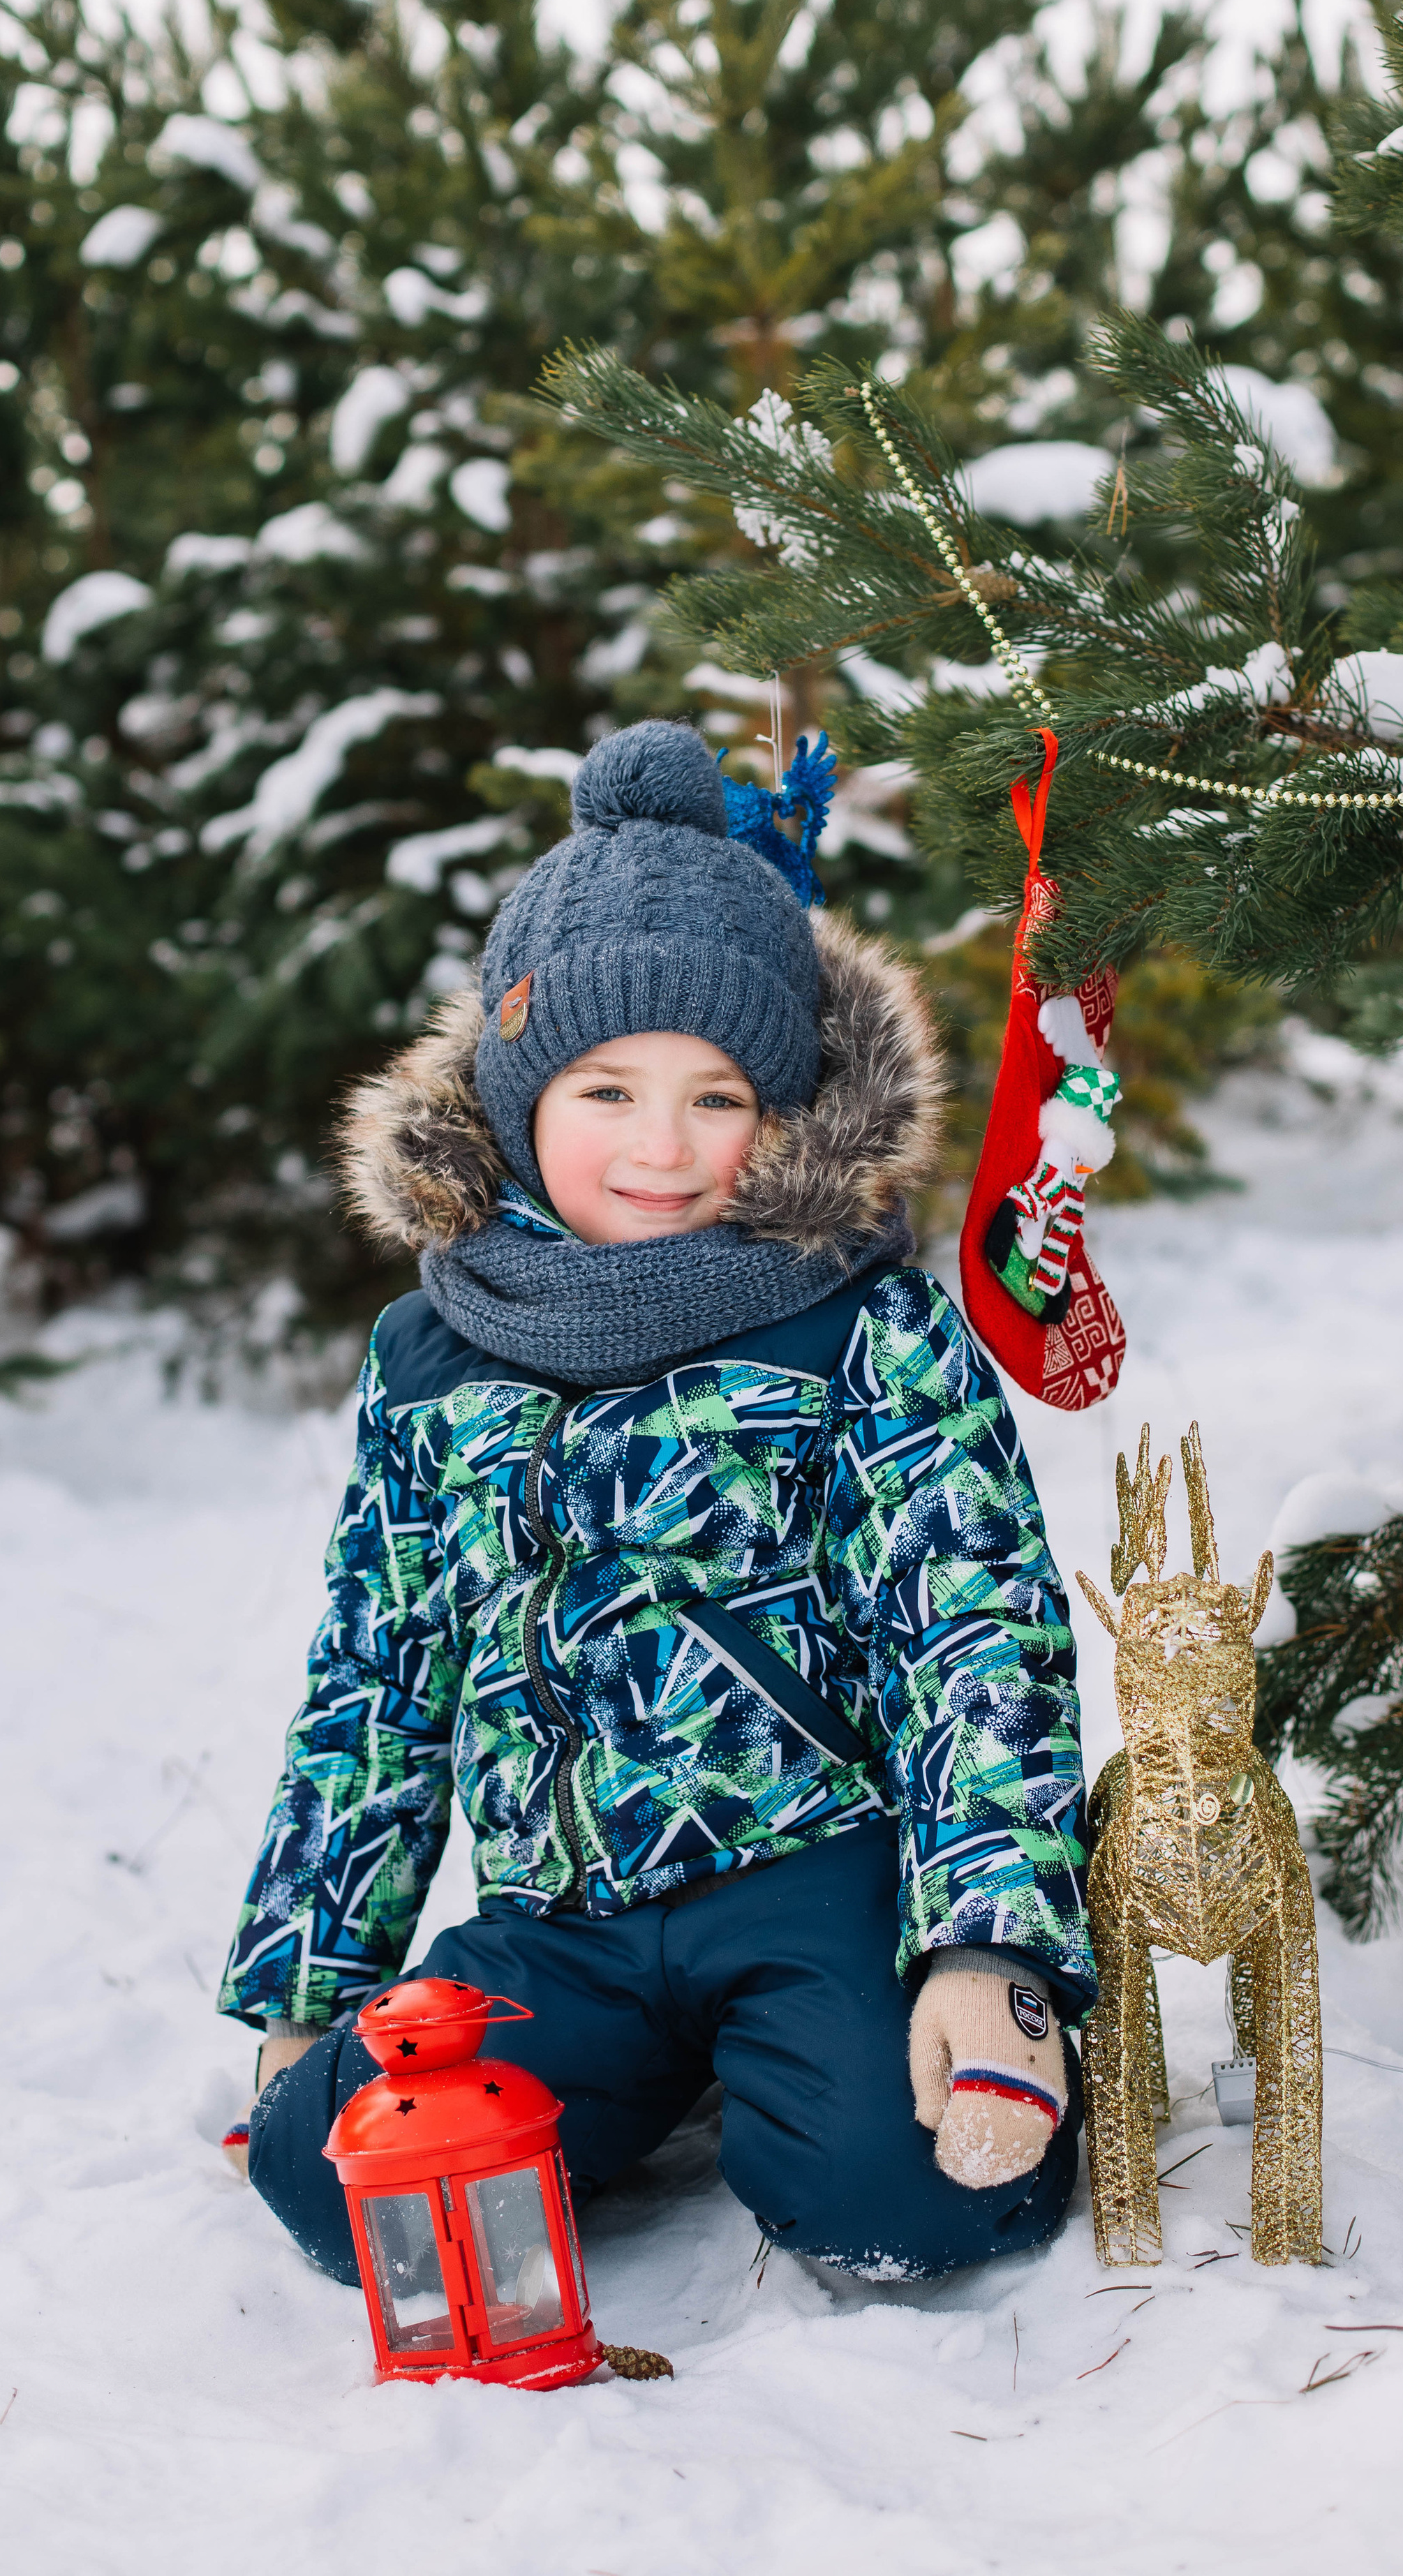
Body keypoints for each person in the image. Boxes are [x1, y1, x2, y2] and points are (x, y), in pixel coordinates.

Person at [217, 719, 1093, 2286]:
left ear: (780, 1109)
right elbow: (376, 1680)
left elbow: (973, 1638)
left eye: (715, 1098)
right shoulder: (434, 1353)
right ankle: (630, 2072)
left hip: (817, 1873)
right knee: (332, 2182)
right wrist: (307, 1986)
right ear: (512, 1091)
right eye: (606, 1090)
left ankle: (823, 2059)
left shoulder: (853, 1321)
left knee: (903, 2195)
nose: (659, 1149)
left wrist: (985, 1948)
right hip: (561, 1917)